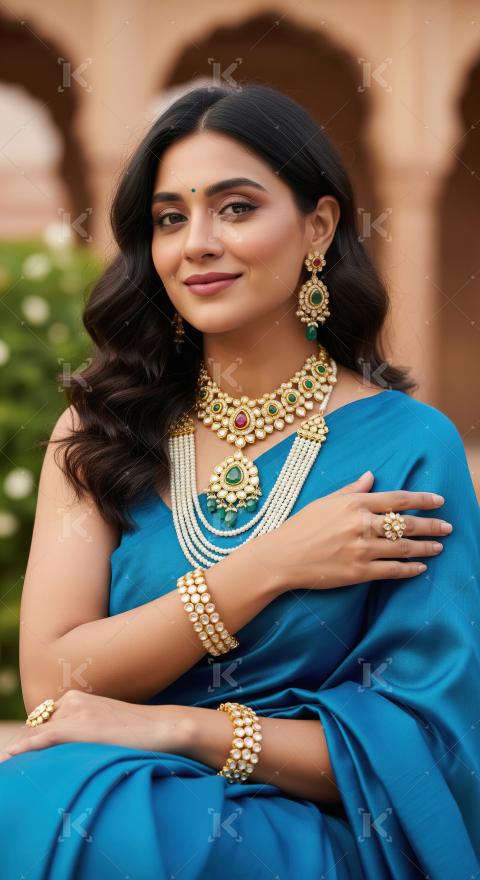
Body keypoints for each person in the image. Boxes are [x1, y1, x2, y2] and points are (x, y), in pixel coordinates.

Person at [1, 83, 479, 880]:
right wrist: (268, 568)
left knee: (94, 818)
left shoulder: (406, 447)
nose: (197, 243)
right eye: (170, 218)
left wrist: (188, 731)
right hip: (107, 787)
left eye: (236, 208)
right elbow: (56, 680)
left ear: (317, 227)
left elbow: (425, 747)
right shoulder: (106, 428)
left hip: (312, 829)